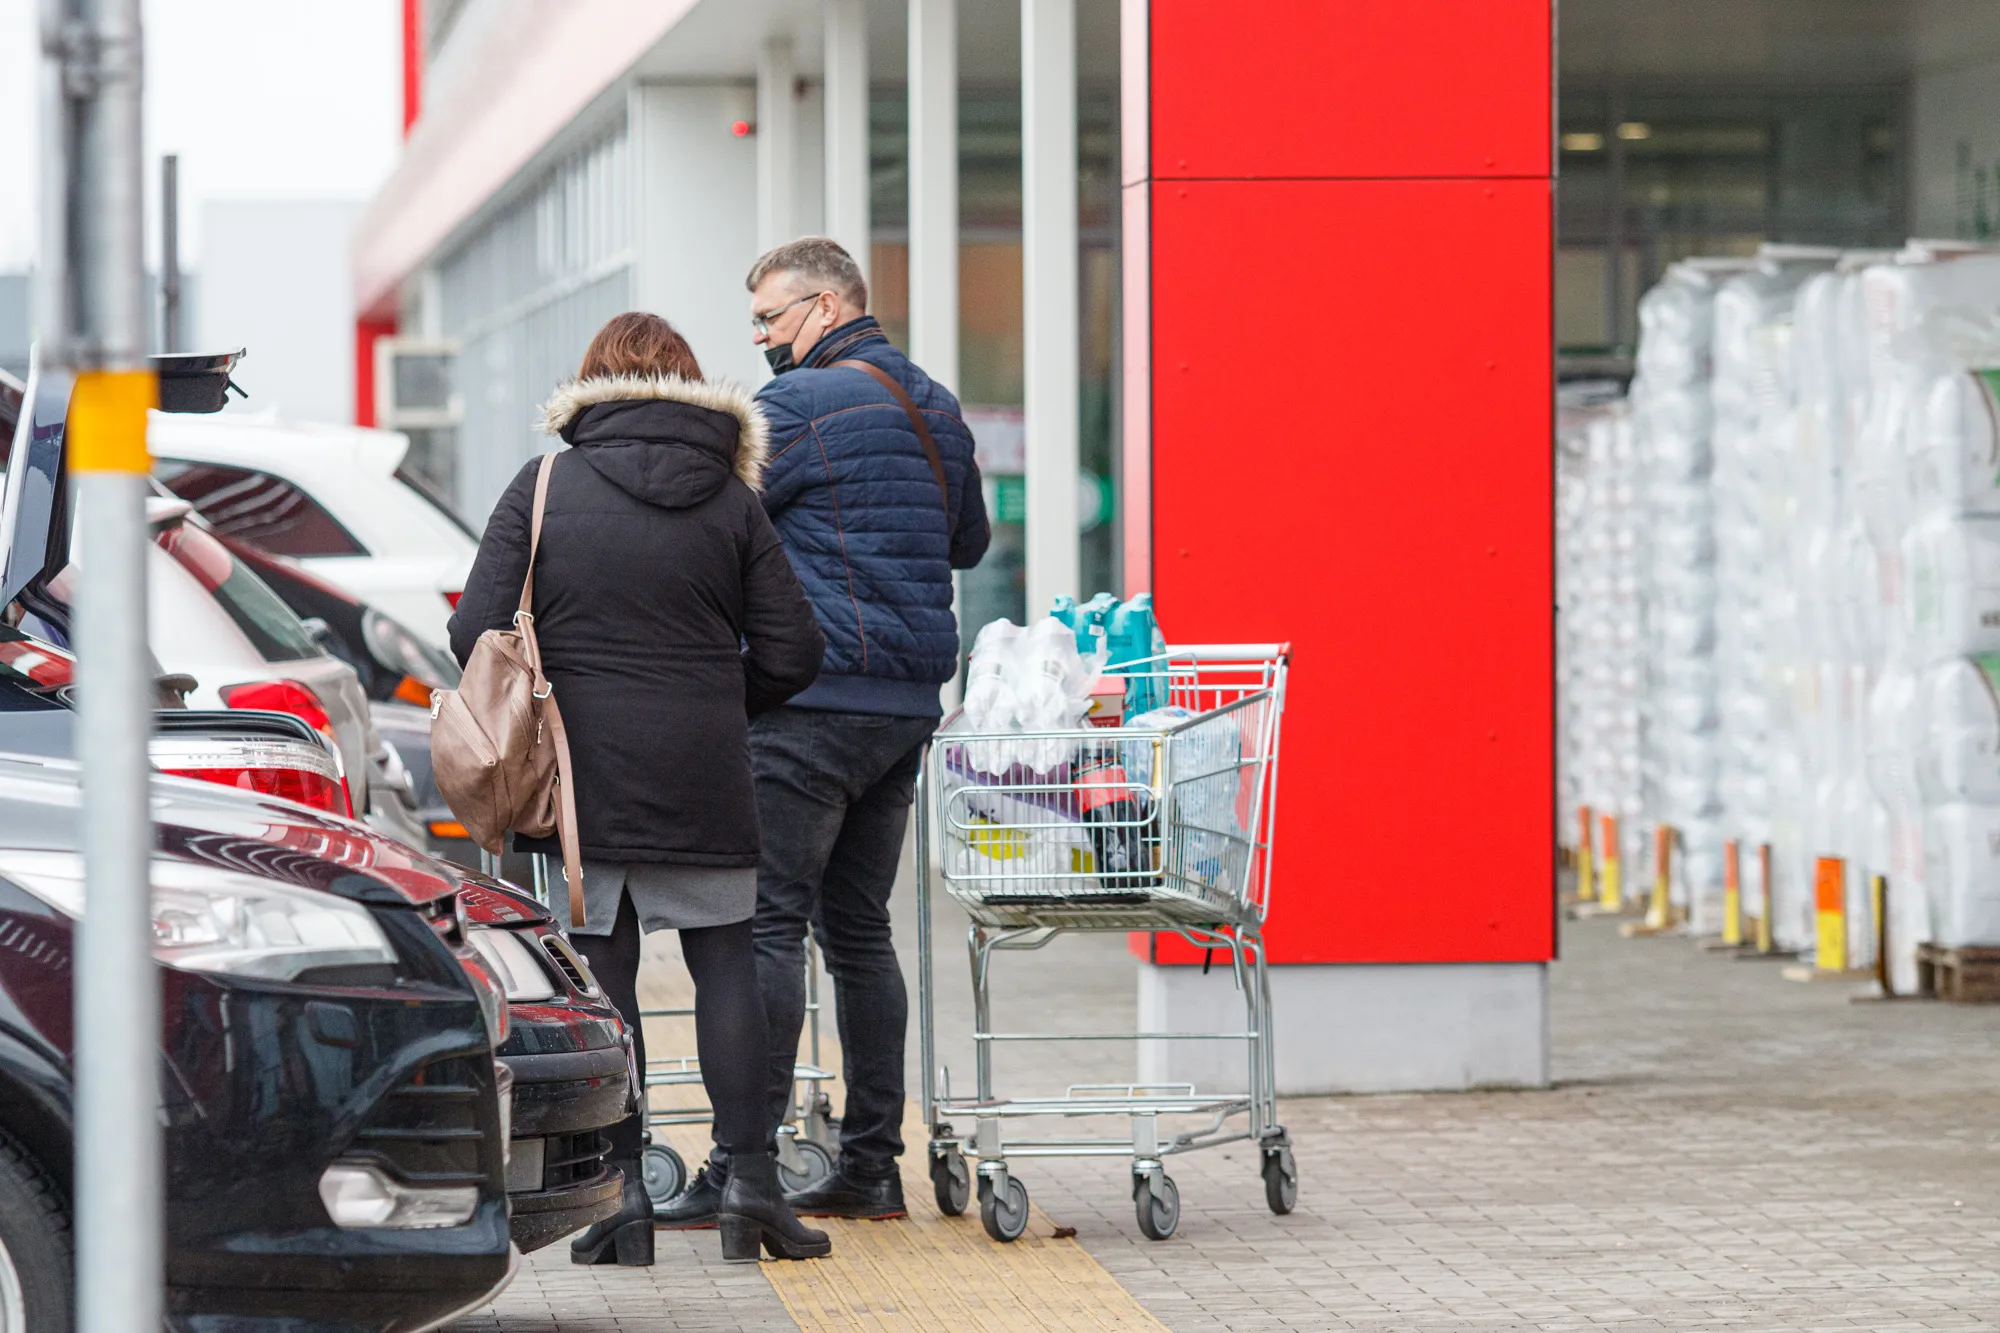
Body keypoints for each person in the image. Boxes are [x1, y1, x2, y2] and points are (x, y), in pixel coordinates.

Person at [448, 312, 831, 1265]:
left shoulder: (541, 486)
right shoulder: (733, 501)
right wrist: (715, 697)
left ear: (588, 386)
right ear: (693, 389)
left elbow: (474, 634)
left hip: (582, 781)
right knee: (726, 966)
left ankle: (621, 1203)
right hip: (704, 764)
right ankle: (750, 1189)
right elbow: (795, 648)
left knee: (603, 973)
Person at [657, 237, 989, 1227]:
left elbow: (716, 515)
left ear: (824, 305)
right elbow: (964, 539)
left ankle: (741, 1168)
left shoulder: (798, 406)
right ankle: (869, 1166)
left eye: (766, 319)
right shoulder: (932, 402)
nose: (758, 339)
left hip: (809, 704)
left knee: (765, 925)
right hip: (904, 707)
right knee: (857, 932)